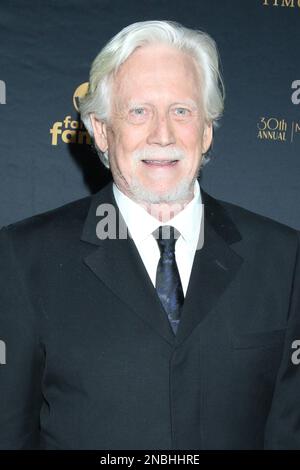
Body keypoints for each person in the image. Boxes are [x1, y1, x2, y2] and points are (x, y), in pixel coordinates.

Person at [0, 20, 299, 450]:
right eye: (138, 111)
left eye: (182, 111)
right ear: (102, 131)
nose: (163, 134)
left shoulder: (284, 259)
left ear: (207, 130)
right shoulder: (23, 259)